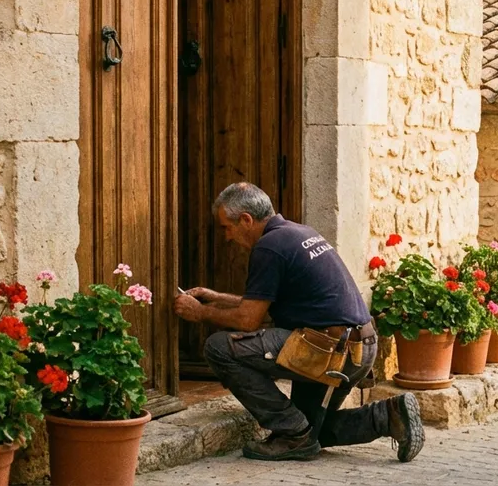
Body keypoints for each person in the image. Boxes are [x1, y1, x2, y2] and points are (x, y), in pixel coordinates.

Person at [174, 182, 424, 462]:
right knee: (310, 429)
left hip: (330, 351)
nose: (227, 236)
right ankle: (389, 416)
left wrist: (201, 313)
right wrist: (216, 297)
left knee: (219, 348)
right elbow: (260, 304)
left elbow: (248, 320)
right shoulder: (297, 233)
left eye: (227, 227)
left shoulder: (268, 247)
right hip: (357, 346)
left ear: (246, 219)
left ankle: (292, 435)